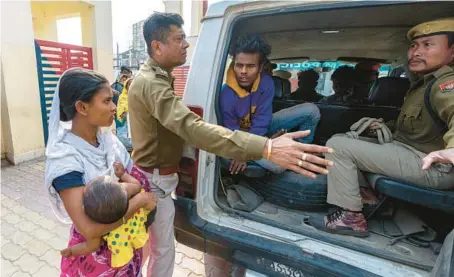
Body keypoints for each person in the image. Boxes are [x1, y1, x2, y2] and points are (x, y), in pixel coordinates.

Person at [127, 12, 333, 277]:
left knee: (156, 248)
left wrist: (257, 146)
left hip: (162, 179)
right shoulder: (152, 84)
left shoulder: (159, 78)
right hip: (154, 181)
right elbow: (193, 128)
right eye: (179, 39)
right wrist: (266, 148)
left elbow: (256, 120)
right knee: (158, 250)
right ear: (158, 46)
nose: (186, 44)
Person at [313, 18, 454, 237]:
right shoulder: (421, 85)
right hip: (410, 152)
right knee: (344, 137)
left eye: (428, 45)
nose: (416, 52)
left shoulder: (445, 84)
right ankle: (368, 200)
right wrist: (382, 126)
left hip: (435, 167)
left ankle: (350, 218)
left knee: (337, 146)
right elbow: (413, 126)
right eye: (414, 46)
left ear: (452, 52)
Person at [44, 67, 157, 276]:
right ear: (82, 107)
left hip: (125, 251)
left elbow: (134, 180)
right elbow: (90, 229)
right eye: (106, 101)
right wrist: (139, 202)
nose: (114, 107)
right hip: (94, 263)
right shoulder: (65, 160)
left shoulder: (109, 143)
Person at [219, 35, 322, 176]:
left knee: (311, 110)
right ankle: (281, 152)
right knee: (278, 166)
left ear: (260, 67)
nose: (243, 71)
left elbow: (262, 121)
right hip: (238, 139)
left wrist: (266, 142)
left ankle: (297, 153)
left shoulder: (266, 83)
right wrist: (242, 153)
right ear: (233, 64)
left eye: (250, 66)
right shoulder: (226, 93)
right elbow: (232, 131)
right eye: (239, 65)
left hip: (260, 130)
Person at [60, 162, 157, 268]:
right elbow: (137, 185)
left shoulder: (98, 227)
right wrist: (122, 174)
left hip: (123, 240)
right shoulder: (123, 191)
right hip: (138, 222)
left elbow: (90, 246)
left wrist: (71, 251)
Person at [116, 78, 133, 151]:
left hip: (136, 122)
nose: (131, 85)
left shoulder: (139, 96)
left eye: (133, 83)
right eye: (129, 84)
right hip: (125, 122)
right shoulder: (122, 97)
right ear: (126, 86)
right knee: (124, 142)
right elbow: (120, 110)